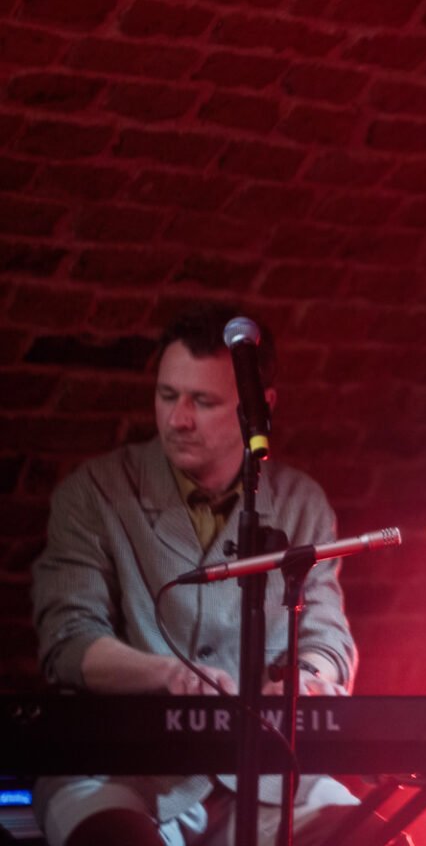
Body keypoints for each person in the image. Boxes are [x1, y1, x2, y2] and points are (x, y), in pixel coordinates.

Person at [30, 305, 394, 846]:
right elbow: (68, 641)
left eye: (202, 402)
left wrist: (308, 677)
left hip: (270, 773)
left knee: (378, 839)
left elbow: (327, 638)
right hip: (121, 768)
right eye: (167, 395)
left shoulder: (301, 502)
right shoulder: (95, 491)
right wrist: (168, 675)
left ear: (260, 407)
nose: (178, 419)